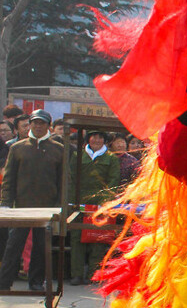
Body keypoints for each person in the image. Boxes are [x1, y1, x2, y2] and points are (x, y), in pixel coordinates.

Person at [0, 109, 64, 291]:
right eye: (34, 122)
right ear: (30, 124)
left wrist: (59, 206)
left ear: (48, 126)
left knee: (41, 247)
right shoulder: (17, 148)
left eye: (42, 123)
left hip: (47, 208)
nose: (37, 126)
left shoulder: (58, 150)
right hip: (21, 207)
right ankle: (4, 282)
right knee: (13, 246)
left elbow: (62, 181)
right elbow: (9, 179)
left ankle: (36, 282)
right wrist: (5, 203)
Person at [70, 130, 121, 285]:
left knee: (98, 238)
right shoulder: (77, 156)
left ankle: (94, 273)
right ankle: (76, 274)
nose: (97, 140)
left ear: (105, 140)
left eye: (100, 137)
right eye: (94, 137)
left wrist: (105, 202)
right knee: (76, 238)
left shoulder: (111, 158)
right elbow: (71, 178)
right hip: (80, 202)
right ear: (88, 139)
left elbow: (114, 181)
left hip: (100, 203)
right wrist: (72, 202)